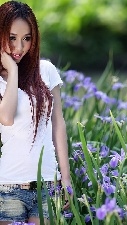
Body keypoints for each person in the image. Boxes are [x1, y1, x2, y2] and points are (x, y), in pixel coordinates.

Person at [0, 1, 72, 224]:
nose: (19, 47)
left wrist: (66, 178)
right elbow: (6, 118)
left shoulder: (46, 71)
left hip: (48, 185)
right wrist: (12, 71)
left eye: (26, 38)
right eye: (12, 38)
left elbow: (58, 124)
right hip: (9, 187)